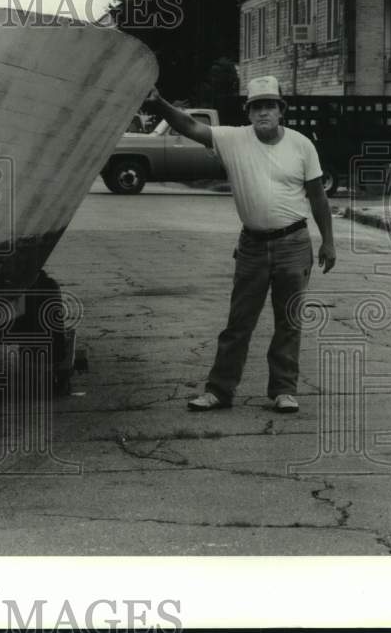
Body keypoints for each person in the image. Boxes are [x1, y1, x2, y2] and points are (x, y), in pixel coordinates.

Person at [144, 76, 336, 413]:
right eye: (257, 106)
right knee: (238, 322)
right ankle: (219, 391)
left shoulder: (302, 145)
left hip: (294, 243)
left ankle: (283, 390)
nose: (263, 112)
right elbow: (189, 125)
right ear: (249, 112)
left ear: (281, 111)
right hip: (252, 246)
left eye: (269, 106)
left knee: (288, 322)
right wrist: (158, 102)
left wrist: (329, 243)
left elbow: (319, 198)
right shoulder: (233, 139)